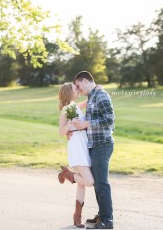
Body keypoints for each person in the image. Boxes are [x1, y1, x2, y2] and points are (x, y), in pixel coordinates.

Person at [72, 71, 115, 230]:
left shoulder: (101, 96)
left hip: (102, 144)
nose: (78, 89)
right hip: (95, 145)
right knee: (98, 183)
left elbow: (110, 120)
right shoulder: (92, 96)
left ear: (84, 81)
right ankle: (102, 215)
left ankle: (107, 221)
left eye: (78, 85)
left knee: (102, 183)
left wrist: (87, 123)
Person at [58, 82, 95, 228]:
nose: (78, 90)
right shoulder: (67, 109)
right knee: (89, 181)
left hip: (83, 144)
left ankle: (77, 217)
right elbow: (61, 132)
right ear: (69, 93)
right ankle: (67, 174)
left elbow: (88, 101)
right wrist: (69, 125)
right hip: (77, 147)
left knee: (82, 183)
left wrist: (96, 89)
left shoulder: (75, 106)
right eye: (75, 89)